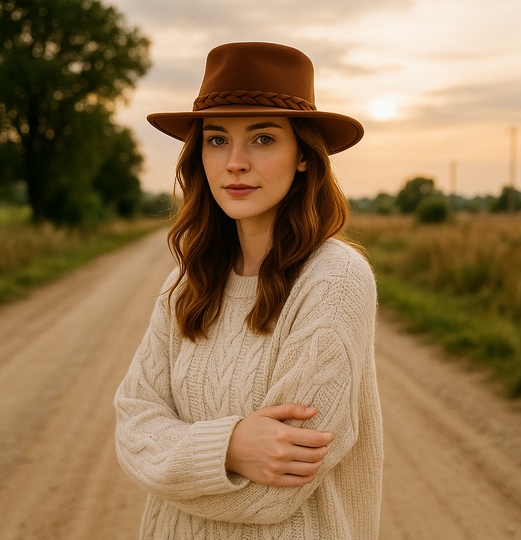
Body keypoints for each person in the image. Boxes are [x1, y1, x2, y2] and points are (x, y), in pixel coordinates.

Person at [114, 41, 383, 539]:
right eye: (217, 140)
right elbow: (132, 429)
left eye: (262, 139)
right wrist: (229, 448)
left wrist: (173, 455)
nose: (235, 162)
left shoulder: (335, 280)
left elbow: (271, 494)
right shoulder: (188, 281)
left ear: (304, 155)